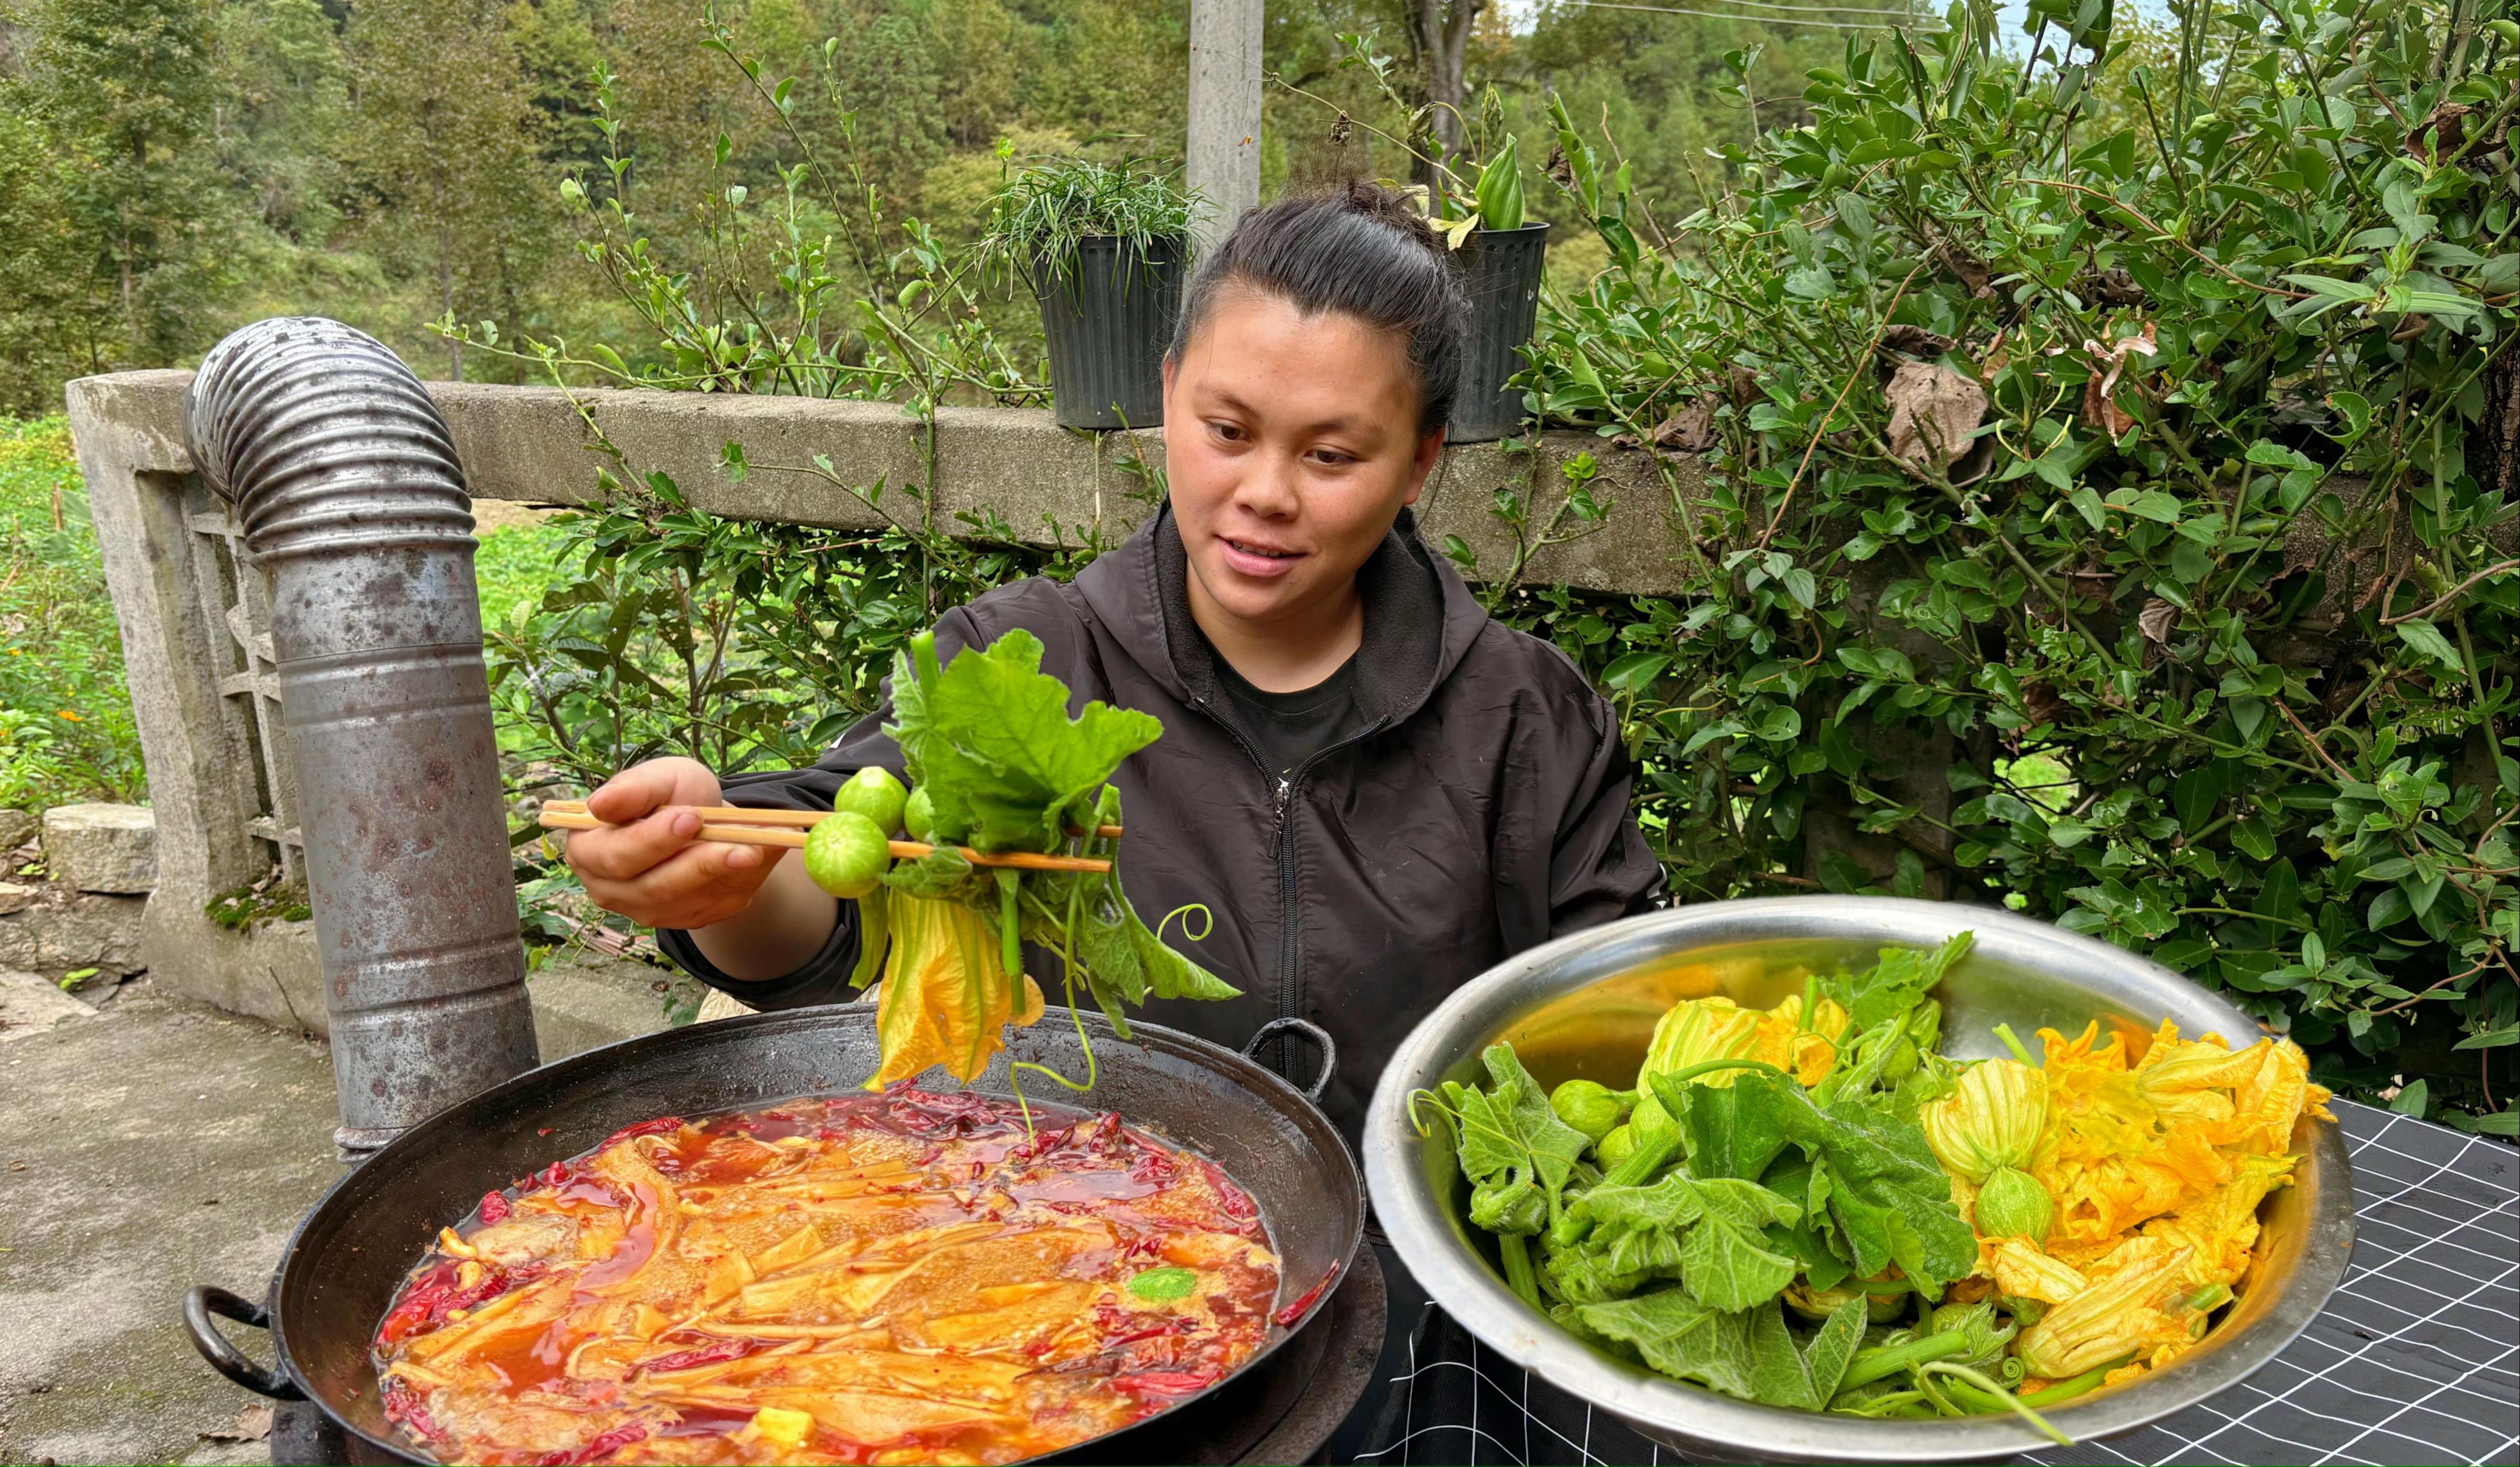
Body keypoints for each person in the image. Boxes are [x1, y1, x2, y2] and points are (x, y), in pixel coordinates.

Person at [563, 182, 1669, 1464]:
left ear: (1422, 460)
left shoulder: (1527, 717)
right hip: (1070, 1302)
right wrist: (713, 880)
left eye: (1330, 454)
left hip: (1438, 1326)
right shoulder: (1020, 660)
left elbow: (1616, 1032)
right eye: (1226, 428)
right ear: (1165, 396)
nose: (1262, 493)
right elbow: (828, 890)